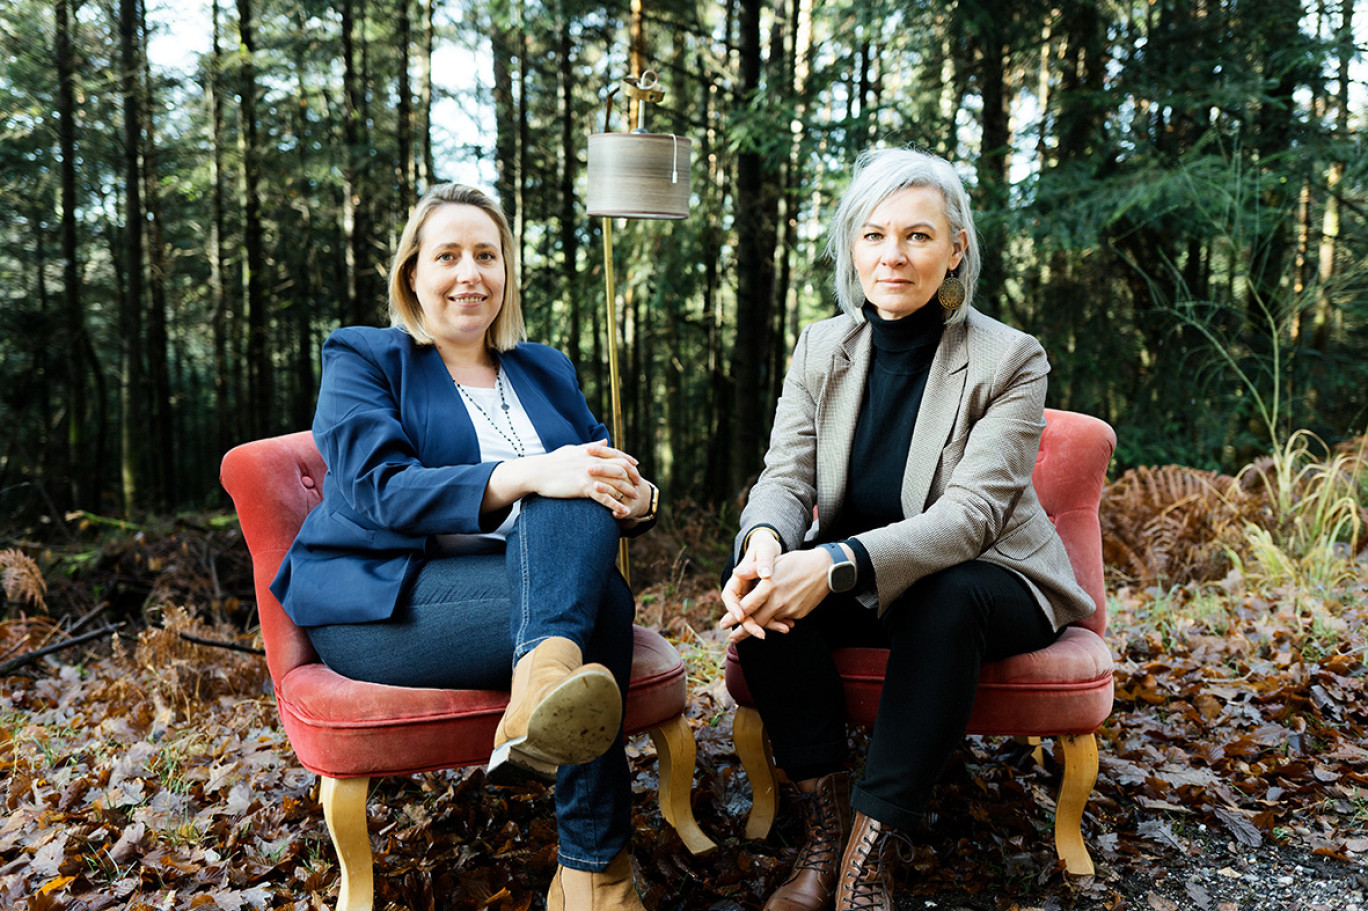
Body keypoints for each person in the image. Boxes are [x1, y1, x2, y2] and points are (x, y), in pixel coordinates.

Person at [719, 147, 1096, 911]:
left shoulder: (1008, 358)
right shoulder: (820, 347)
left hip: (995, 576)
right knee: (766, 600)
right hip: (863, 571)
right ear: (851, 245)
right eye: (875, 234)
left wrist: (830, 562)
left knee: (943, 595)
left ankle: (868, 857)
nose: (893, 255)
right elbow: (786, 476)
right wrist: (765, 544)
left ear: (956, 247)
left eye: (919, 236)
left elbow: (969, 519)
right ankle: (823, 834)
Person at [270, 183, 658, 910]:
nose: (469, 272)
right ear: (413, 272)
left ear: (507, 272)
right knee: (595, 590)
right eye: (447, 255)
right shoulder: (365, 356)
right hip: (385, 600)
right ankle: (595, 875)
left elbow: (600, 475)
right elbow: (379, 490)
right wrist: (530, 471)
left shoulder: (544, 367)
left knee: (582, 548)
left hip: (525, 585)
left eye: (487, 254)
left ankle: (544, 689)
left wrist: (640, 499)